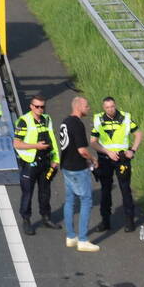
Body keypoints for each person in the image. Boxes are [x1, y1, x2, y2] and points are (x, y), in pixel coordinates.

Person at [90, 97, 144, 232]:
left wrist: (133, 150)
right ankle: (105, 221)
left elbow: (138, 134)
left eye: (112, 106)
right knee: (105, 190)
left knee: (125, 189)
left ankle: (130, 221)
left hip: (122, 158)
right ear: (104, 108)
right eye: (107, 107)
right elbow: (93, 142)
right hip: (105, 158)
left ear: (115, 105)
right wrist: (107, 152)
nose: (110, 109)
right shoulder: (98, 119)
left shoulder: (125, 118)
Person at [58, 97, 100, 252]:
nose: (89, 108)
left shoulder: (65, 122)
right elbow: (82, 150)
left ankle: (70, 236)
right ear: (79, 107)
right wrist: (92, 158)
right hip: (77, 168)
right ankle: (83, 239)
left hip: (66, 166)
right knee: (86, 201)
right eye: (87, 106)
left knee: (69, 201)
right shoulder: (77, 124)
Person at [14, 95, 60, 235]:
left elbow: (52, 138)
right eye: (37, 106)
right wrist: (35, 146)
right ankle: (26, 220)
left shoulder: (47, 119)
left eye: (42, 106)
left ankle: (46, 218)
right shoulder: (23, 121)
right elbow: (16, 144)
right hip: (29, 163)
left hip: (45, 161)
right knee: (28, 193)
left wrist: (56, 159)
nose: (40, 109)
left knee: (45, 192)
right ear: (31, 106)